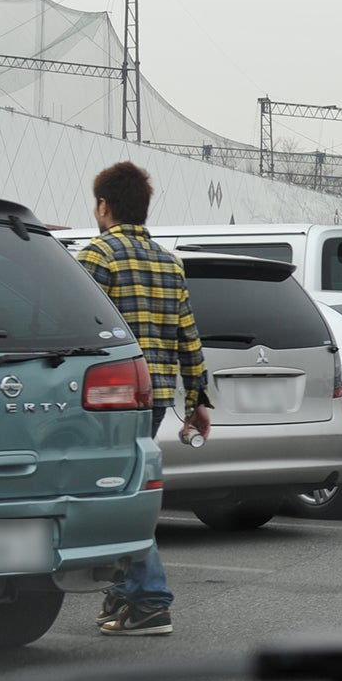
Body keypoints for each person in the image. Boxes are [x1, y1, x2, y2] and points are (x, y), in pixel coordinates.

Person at [75, 162, 211, 636]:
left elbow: (80, 329)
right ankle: (125, 595)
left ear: (104, 206)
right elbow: (187, 335)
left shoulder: (97, 256)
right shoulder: (170, 263)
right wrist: (198, 399)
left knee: (117, 492)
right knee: (125, 485)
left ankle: (150, 598)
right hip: (152, 396)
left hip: (109, 395)